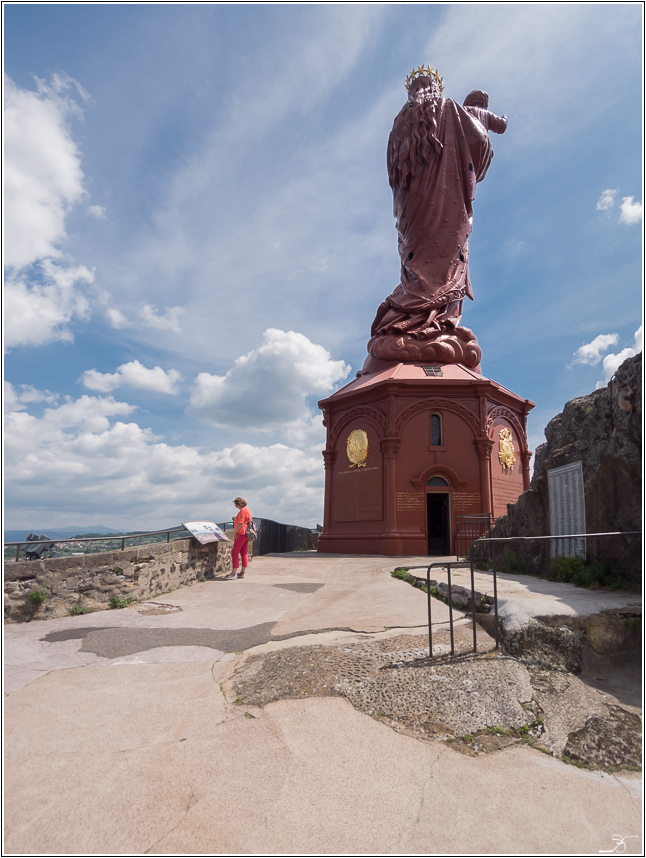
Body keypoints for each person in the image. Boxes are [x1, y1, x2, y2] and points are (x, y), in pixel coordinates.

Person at [365, 68, 507, 368]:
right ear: (436, 89)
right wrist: (479, 115)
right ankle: (434, 323)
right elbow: (480, 143)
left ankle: (414, 321)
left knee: (417, 263)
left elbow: (394, 176)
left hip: (411, 213)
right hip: (446, 204)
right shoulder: (450, 110)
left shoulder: (399, 124)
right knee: (443, 261)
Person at [225, 497, 252, 579]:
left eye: (236, 505)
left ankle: (234, 573)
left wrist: (235, 532)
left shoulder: (242, 511)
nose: (236, 506)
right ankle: (242, 572)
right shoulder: (248, 510)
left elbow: (240, 523)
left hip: (241, 533)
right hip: (247, 534)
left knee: (234, 552)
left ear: (239, 504)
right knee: (244, 552)